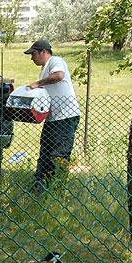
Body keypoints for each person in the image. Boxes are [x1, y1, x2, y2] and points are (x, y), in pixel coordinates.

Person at [25, 39, 81, 193]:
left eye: (34, 54)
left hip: (66, 116)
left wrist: (38, 83)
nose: (32, 58)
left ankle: (57, 189)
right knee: (45, 152)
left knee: (59, 153)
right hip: (52, 118)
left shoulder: (55, 61)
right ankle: (40, 186)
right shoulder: (44, 68)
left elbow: (59, 76)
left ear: (44, 52)